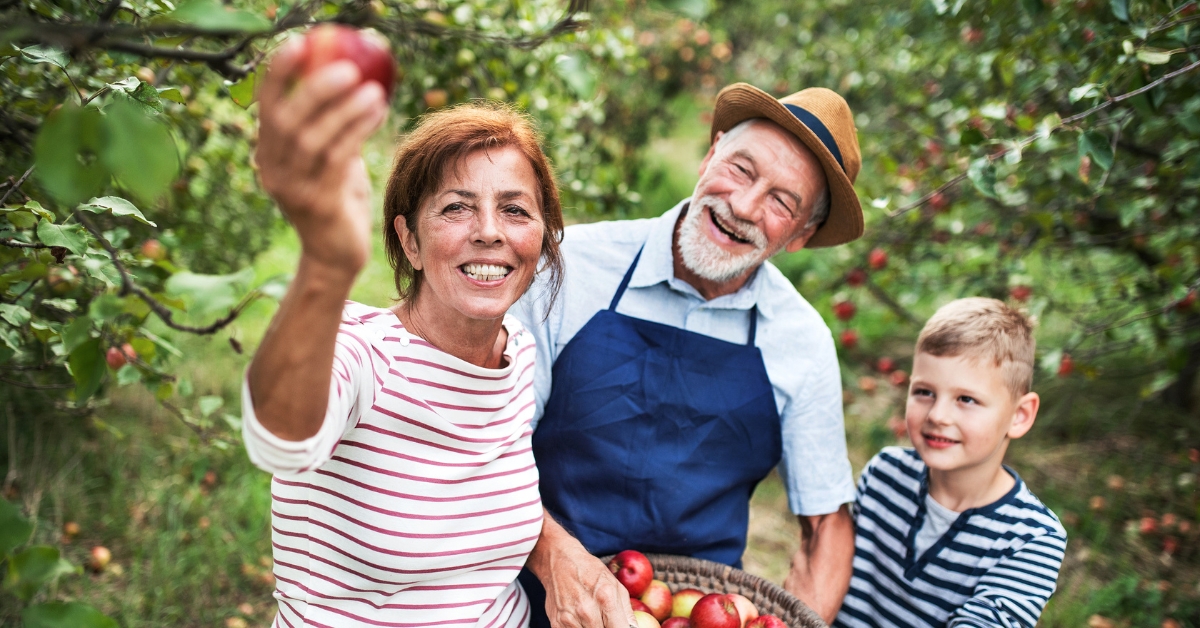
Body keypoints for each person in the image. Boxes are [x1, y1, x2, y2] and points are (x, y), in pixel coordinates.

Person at [513, 83, 863, 627]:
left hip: (695, 612)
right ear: (711, 153)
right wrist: (555, 560)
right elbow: (489, 445)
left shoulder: (802, 341)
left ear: (802, 233)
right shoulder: (570, 269)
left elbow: (827, 529)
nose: (743, 206)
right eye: (741, 169)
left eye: (782, 201)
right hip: (530, 594)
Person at [242, 40, 565, 627]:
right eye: (456, 208)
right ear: (410, 241)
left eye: (515, 210)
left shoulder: (516, 353)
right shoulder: (360, 351)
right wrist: (325, 264)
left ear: (541, 241)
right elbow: (280, 442)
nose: (489, 231)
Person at [835, 298, 1067, 628]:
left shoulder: (1032, 538)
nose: (938, 415)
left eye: (966, 399)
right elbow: (831, 566)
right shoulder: (884, 474)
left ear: (1019, 415)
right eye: (924, 392)